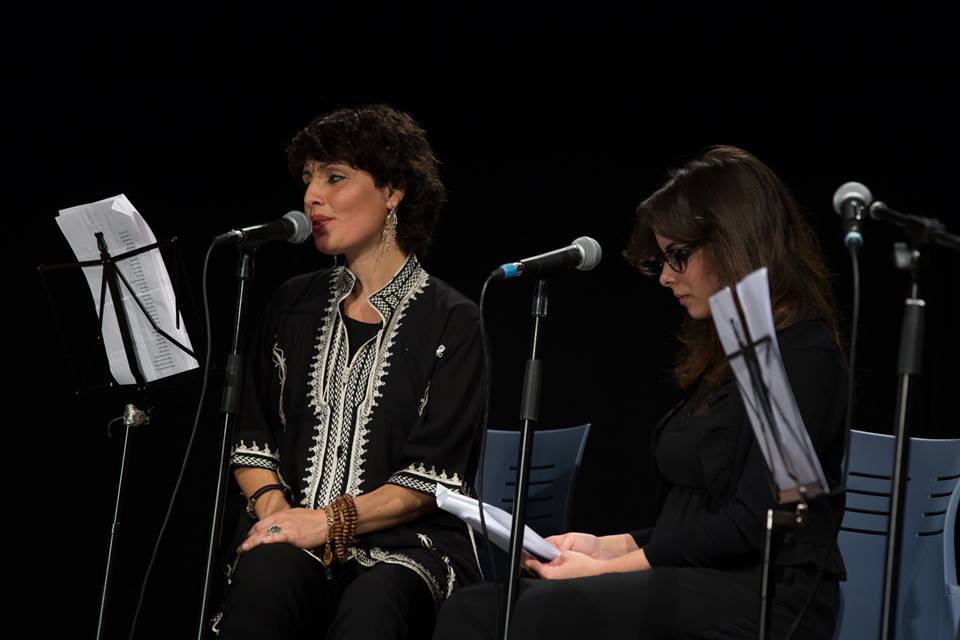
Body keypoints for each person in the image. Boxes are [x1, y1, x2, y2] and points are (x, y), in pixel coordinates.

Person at [433, 145, 847, 639]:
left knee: (511, 617)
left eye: (678, 256)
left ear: (736, 243)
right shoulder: (729, 357)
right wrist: (609, 545)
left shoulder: (802, 356)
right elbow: (698, 523)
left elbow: (753, 523)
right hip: (702, 575)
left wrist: (610, 568)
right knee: (477, 607)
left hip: (767, 596)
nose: (667, 276)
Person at [217, 104, 485, 640]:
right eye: (308, 179)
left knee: (376, 599)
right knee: (266, 576)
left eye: (334, 177)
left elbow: (430, 481)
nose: (311, 197)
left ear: (394, 191)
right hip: (295, 528)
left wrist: (326, 522)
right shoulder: (291, 304)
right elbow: (252, 440)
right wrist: (278, 514)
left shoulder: (454, 320)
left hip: (406, 546)